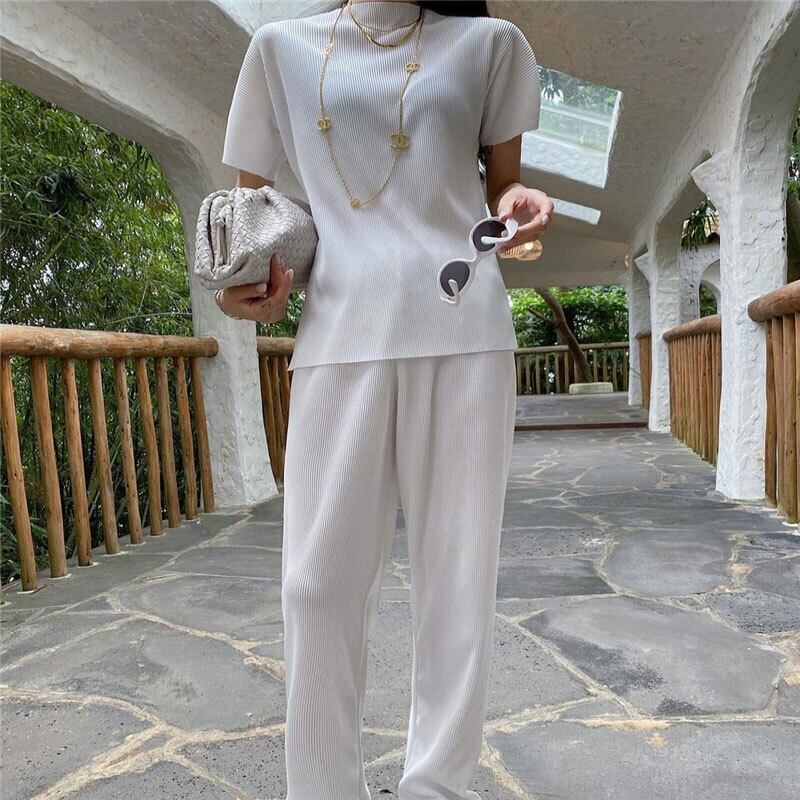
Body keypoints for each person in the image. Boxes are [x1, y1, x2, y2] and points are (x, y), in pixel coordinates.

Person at [216, 1, 553, 797]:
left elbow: (500, 186)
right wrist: (239, 288)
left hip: (464, 331)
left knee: (458, 586)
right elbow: (245, 214)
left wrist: (516, 204)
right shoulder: (277, 49)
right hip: (339, 335)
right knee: (314, 586)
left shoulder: (490, 45)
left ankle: (438, 787)